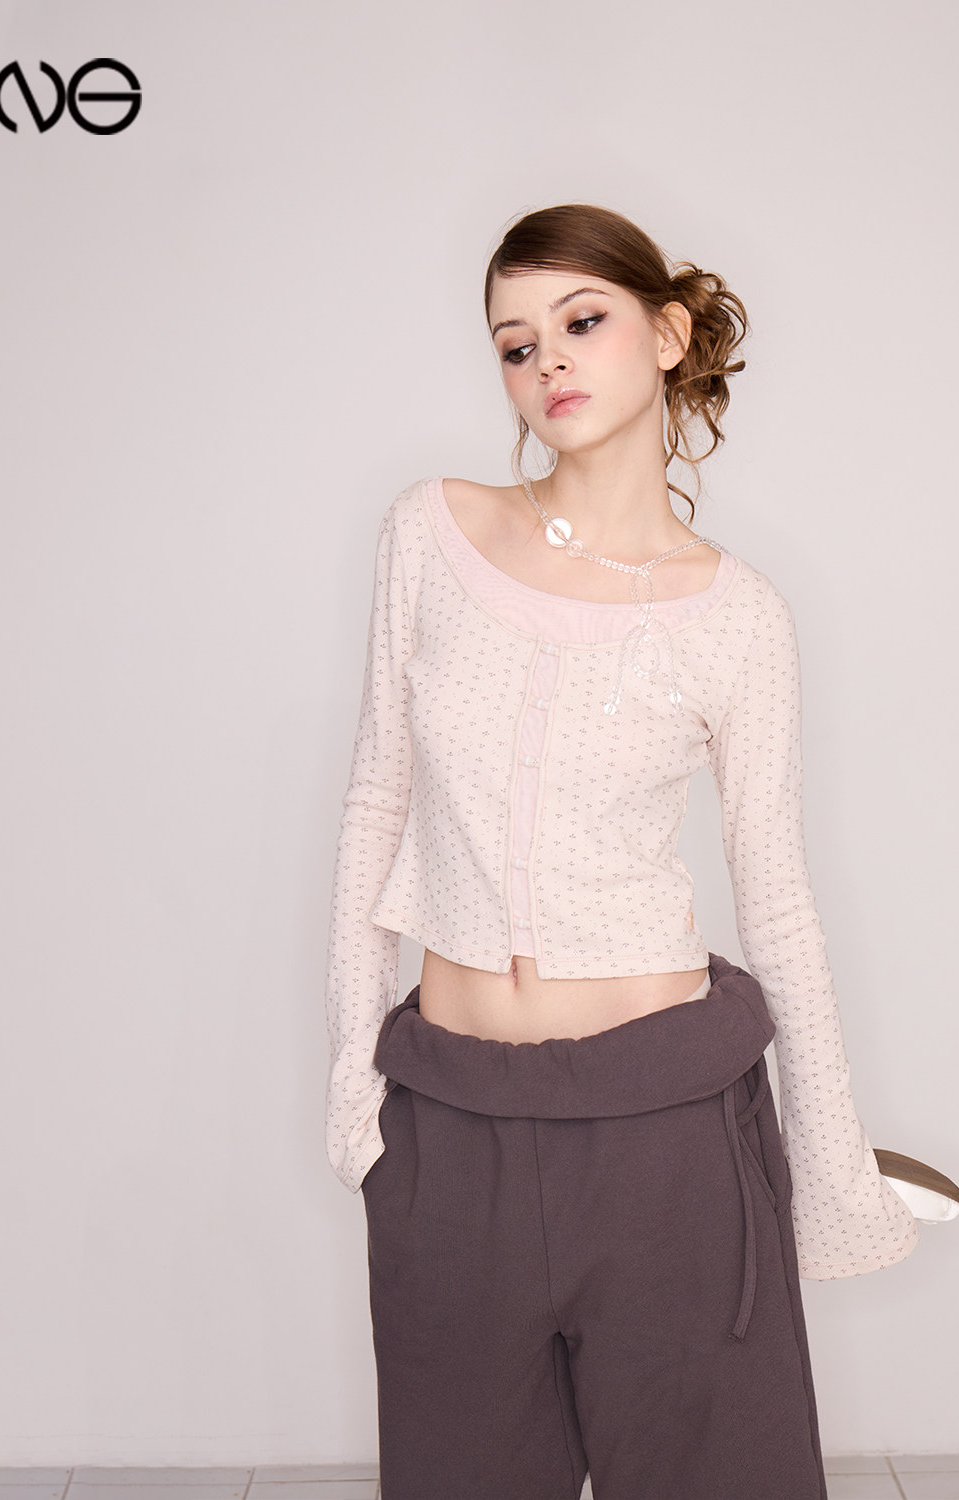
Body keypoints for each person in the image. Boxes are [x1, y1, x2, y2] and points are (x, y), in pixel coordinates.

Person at [324, 202, 920, 1500]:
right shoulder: (429, 533)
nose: (548, 361)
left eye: (582, 321)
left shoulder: (738, 618)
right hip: (452, 1129)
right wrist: (357, 1095)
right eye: (514, 343)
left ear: (666, 334)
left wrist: (830, 1168)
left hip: (667, 1144)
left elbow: (778, 898)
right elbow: (376, 799)